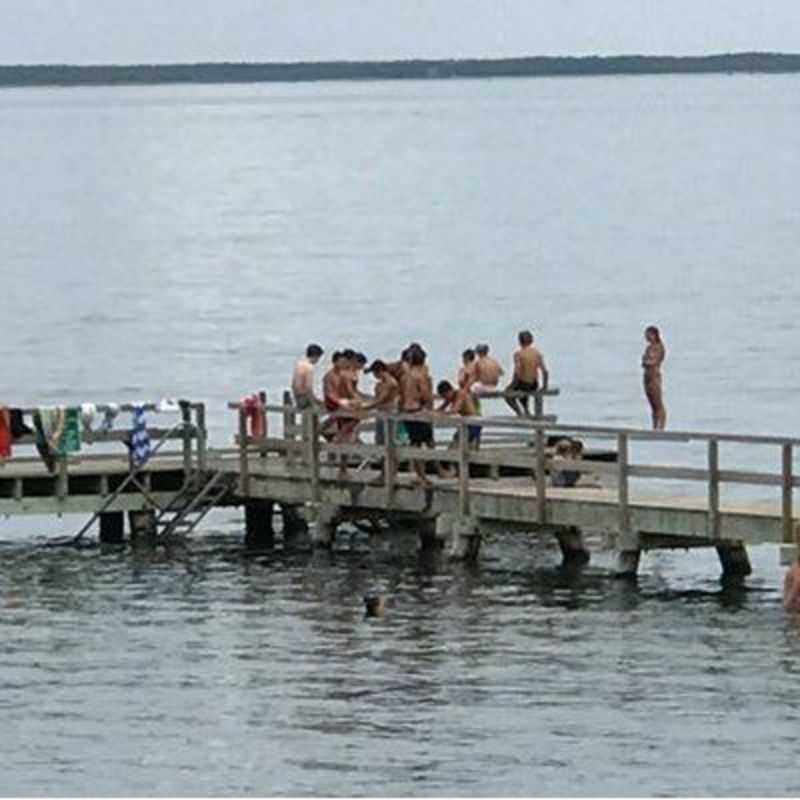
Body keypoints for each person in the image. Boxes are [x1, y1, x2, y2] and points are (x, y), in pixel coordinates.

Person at [401, 346, 436, 487]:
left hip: (406, 411)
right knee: (425, 443)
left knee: (415, 443)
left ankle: (420, 475)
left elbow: (402, 395)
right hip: (417, 410)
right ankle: (423, 476)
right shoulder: (419, 376)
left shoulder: (405, 376)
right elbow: (425, 395)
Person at [505, 330, 549, 417]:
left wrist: (511, 385)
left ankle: (519, 412)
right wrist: (544, 386)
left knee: (507, 394)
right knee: (523, 389)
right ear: (531, 340)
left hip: (523, 383)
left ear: (519, 341)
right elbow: (545, 372)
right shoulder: (537, 353)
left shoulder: (519, 354)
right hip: (534, 384)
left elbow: (517, 372)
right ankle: (526, 410)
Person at [360, 360, 399, 447]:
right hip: (380, 413)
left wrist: (365, 408)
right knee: (379, 439)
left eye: (374, 373)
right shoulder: (380, 384)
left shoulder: (391, 383)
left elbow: (381, 399)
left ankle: (390, 459)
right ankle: (381, 459)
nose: (374, 376)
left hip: (389, 413)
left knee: (389, 439)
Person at [436, 380, 482, 450]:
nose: (445, 398)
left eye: (445, 396)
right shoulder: (451, 397)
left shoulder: (460, 394)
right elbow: (441, 408)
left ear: (449, 391)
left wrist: (441, 414)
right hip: (465, 423)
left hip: (474, 422)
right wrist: (429, 412)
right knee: (456, 442)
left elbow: (455, 410)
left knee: (464, 445)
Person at [642, 325, 667, 430]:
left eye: (648, 334)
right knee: (651, 403)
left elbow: (655, 361)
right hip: (647, 375)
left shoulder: (659, 347)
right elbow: (644, 361)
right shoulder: (649, 348)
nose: (646, 337)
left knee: (658, 402)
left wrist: (649, 362)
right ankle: (654, 425)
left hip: (654, 376)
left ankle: (661, 426)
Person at [291, 343, 324, 409]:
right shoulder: (309, 367)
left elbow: (293, 384)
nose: (318, 361)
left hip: (296, 398)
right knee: (324, 407)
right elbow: (308, 387)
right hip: (305, 399)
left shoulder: (299, 364)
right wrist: (314, 401)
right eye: (318, 358)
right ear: (315, 356)